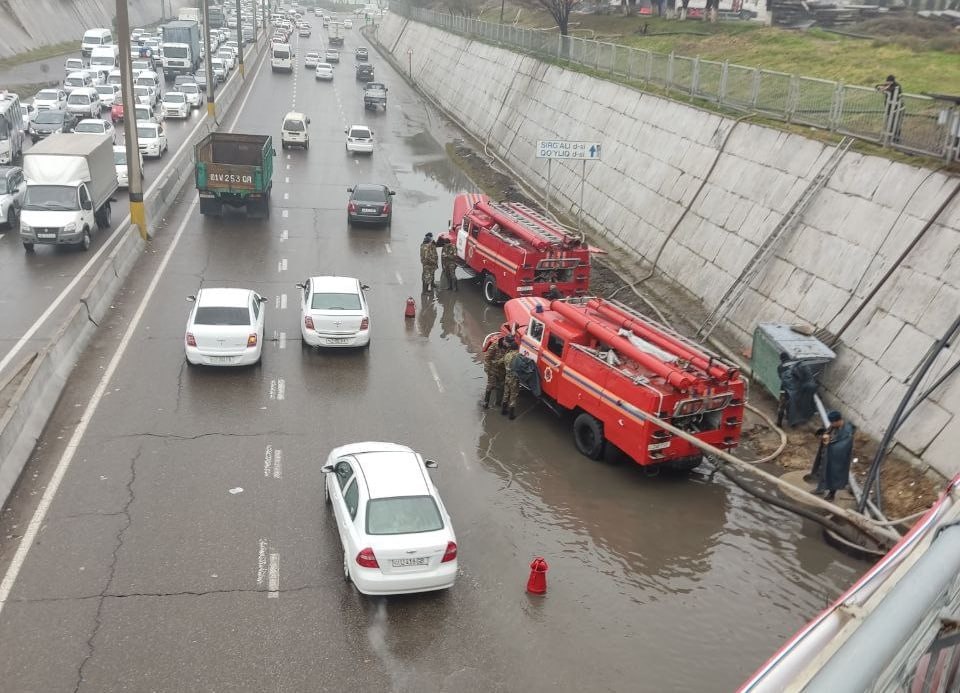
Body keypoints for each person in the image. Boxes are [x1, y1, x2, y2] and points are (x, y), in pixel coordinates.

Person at [815, 410, 855, 501]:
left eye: (832, 423)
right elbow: (828, 433)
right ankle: (820, 488)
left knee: (834, 474)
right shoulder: (834, 427)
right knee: (823, 470)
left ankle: (831, 495)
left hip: (839, 458)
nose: (831, 425)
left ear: (838, 421)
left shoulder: (847, 432)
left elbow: (843, 446)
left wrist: (829, 444)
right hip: (829, 454)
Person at [777, 352, 818, 428]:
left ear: (781, 359)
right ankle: (793, 422)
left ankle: (779, 422)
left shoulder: (780, 367)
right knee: (794, 404)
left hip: (784, 388)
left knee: (782, 405)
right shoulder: (795, 364)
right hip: (796, 389)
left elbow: (781, 377)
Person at [876, 75, 903, 144]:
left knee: (895, 123)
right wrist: (881, 87)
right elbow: (877, 86)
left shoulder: (897, 86)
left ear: (892, 81)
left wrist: (885, 89)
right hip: (889, 108)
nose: (887, 83)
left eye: (888, 82)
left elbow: (893, 90)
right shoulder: (888, 85)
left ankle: (896, 139)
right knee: (889, 123)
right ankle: (890, 138)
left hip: (897, 109)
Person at [499, 335, 521, 420]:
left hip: (507, 377)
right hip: (514, 379)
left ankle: (503, 410)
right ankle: (511, 415)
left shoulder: (507, 355)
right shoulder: (518, 356)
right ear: (517, 348)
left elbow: (500, 362)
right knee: (513, 396)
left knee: (506, 394)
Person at [482, 335, 506, 408]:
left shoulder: (509, 346)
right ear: (504, 341)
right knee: (490, 385)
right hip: (492, 369)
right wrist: (487, 369)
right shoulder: (495, 345)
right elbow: (487, 357)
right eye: (507, 342)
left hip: (502, 370)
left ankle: (498, 403)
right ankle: (485, 402)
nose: (508, 344)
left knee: (501, 386)